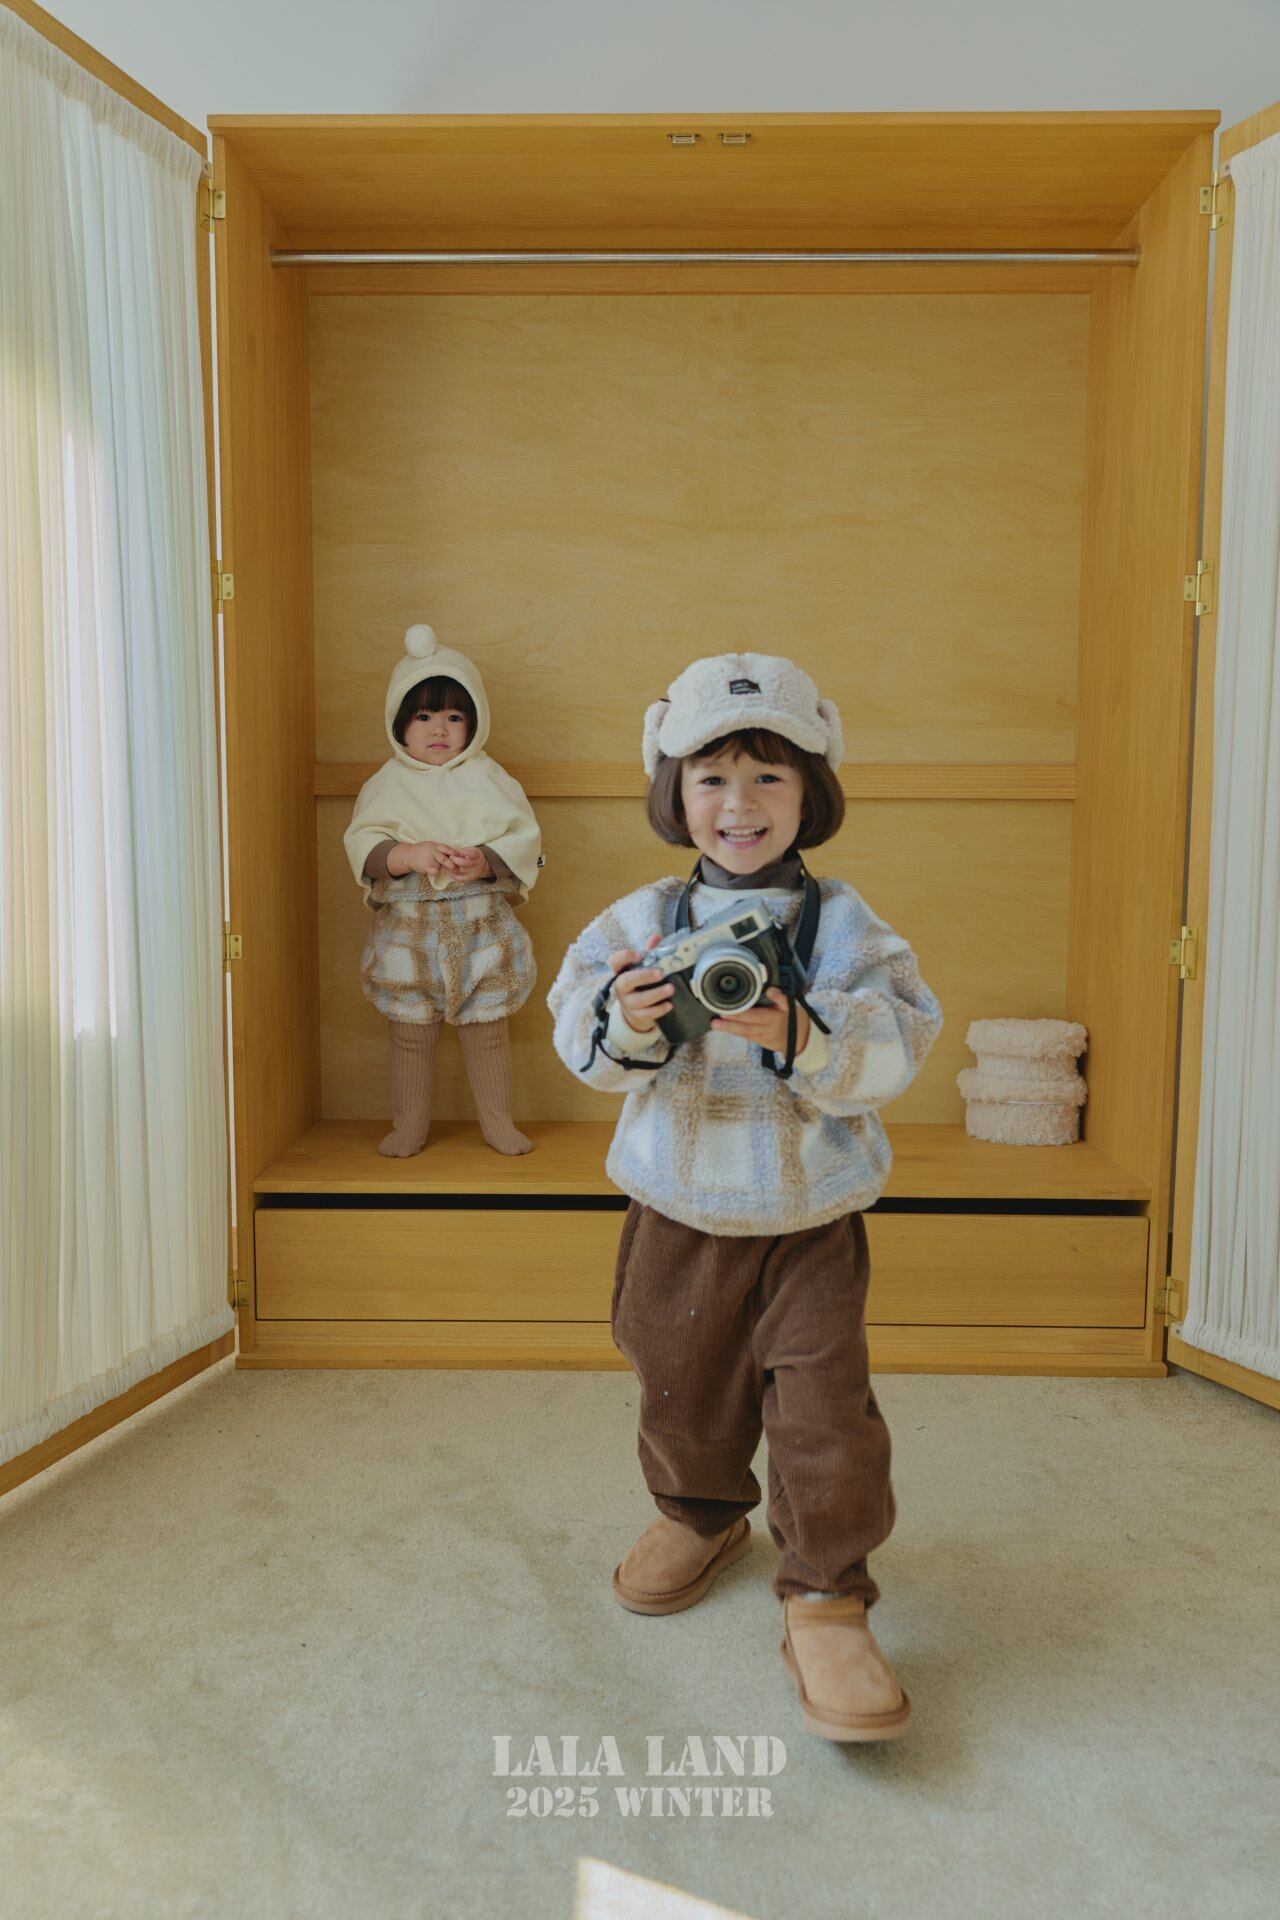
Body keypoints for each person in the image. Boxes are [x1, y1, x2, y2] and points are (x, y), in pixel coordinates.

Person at [545, 651, 943, 1742]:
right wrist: (628, 1016)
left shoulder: (847, 926)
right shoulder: (637, 920)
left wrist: (804, 1032)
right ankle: (701, 1511)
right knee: (677, 1385)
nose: (739, 804)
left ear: (812, 791)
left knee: (825, 1413)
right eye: (711, 777)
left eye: (770, 775)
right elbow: (579, 1040)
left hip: (809, 1217)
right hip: (676, 1207)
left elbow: (902, 1038)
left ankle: (825, 1596)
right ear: (672, 791)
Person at [344, 623, 543, 1157]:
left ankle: (497, 1121)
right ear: (399, 725)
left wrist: (484, 861)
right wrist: (407, 855)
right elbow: (365, 845)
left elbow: (523, 839)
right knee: (409, 1033)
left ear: (474, 723)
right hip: (409, 932)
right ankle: (409, 1124)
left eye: (454, 717)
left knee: (488, 1029)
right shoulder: (386, 783)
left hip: (479, 924)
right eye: (424, 716)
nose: (439, 729)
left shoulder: (492, 778)